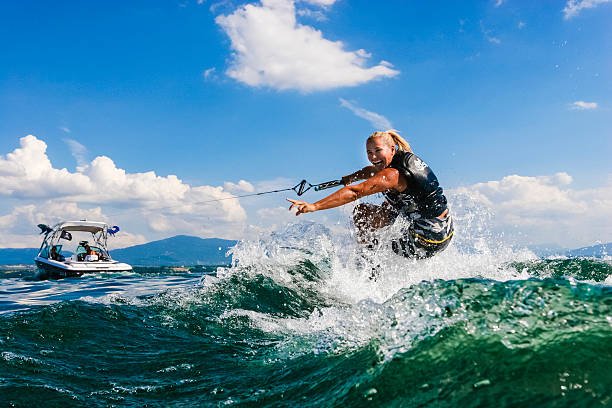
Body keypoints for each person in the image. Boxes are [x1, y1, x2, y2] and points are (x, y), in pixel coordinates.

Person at [287, 130, 453, 259]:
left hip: (426, 240)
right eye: (369, 152)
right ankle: (373, 255)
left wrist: (314, 206)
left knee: (362, 213)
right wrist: (352, 177)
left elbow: (355, 192)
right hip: (445, 229)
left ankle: (369, 265)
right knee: (387, 206)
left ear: (392, 149)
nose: (373, 157)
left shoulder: (392, 175)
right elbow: (372, 171)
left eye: (377, 151)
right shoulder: (402, 160)